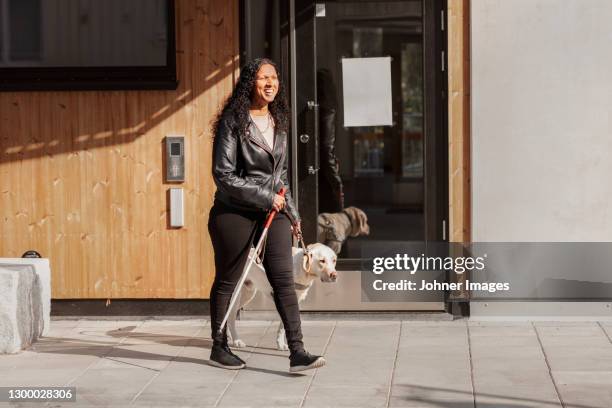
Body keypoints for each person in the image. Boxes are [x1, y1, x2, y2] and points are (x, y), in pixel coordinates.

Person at [208, 58, 326, 372]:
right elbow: (223, 175)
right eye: (263, 78)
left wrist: (293, 211)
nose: (270, 83)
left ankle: (297, 352)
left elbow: (281, 175)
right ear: (250, 83)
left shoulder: (278, 120)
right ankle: (219, 347)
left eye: (274, 77)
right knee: (228, 281)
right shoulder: (233, 122)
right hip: (234, 212)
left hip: (273, 211)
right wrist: (267, 197)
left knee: (283, 281)